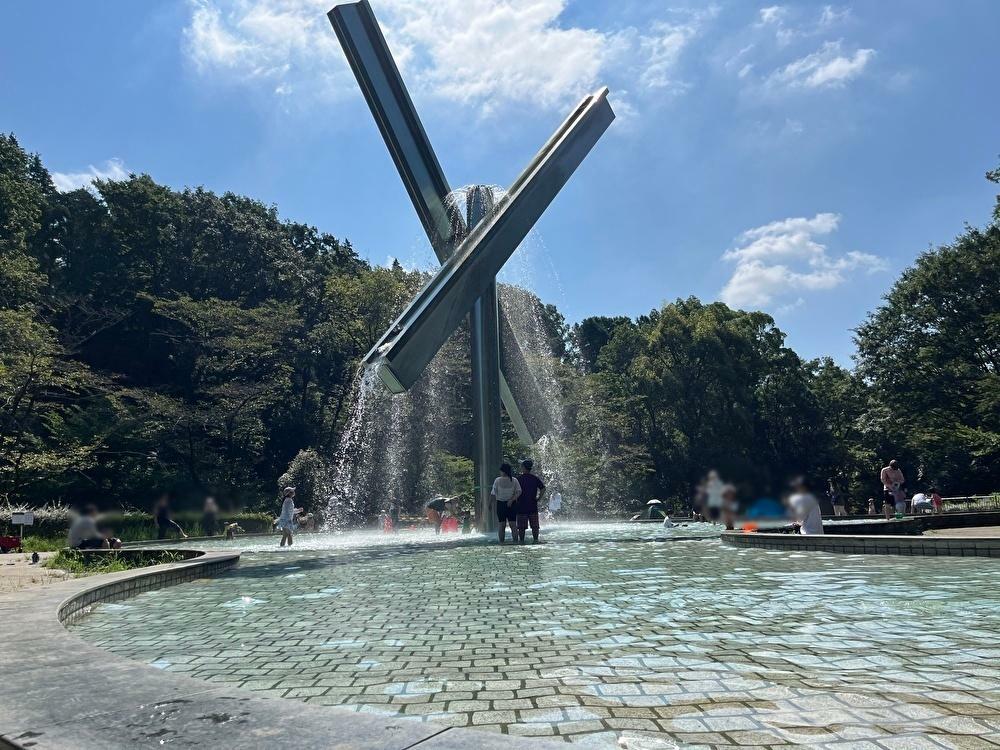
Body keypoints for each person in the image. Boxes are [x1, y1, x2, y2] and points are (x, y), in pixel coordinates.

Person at [514, 459, 546, 544]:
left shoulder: (518, 479)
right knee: (535, 526)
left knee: (521, 527)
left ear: (523, 467)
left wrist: (514, 500)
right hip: (532, 505)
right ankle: (535, 540)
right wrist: (539, 497)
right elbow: (543, 488)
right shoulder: (535, 478)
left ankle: (521, 542)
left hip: (521, 506)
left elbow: (514, 491)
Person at [490, 464, 521, 544]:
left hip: (501, 504)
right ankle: (515, 543)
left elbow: (493, 494)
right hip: (512, 504)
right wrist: (512, 499)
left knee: (501, 525)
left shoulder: (497, 480)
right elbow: (519, 492)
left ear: (503, 471)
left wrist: (490, 503)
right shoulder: (514, 480)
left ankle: (502, 543)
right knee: (513, 525)